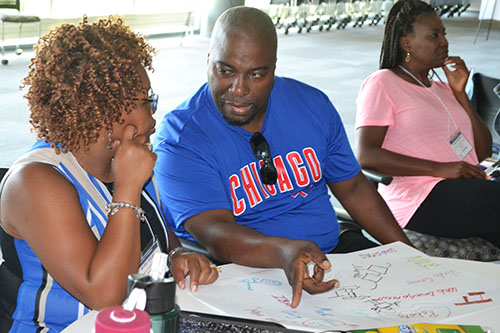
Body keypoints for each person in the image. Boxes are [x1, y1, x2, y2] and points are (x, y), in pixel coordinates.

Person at [153, 6, 411, 309]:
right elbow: (214, 231)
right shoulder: (182, 136)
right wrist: (285, 253)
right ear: (208, 61)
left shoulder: (312, 104)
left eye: (256, 74)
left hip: (332, 254)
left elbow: (353, 188)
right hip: (243, 271)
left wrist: (407, 252)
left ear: (273, 68)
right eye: (225, 71)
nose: (239, 89)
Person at [0, 16, 218, 332]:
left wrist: (177, 254)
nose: (154, 113)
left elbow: (153, 230)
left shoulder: (126, 158)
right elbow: (106, 295)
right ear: (104, 109)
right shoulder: (36, 183)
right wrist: (127, 187)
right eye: (147, 101)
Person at [355, 0, 500, 249]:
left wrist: (461, 95)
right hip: (417, 197)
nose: (444, 41)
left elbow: (484, 152)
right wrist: (441, 169)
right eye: (434, 35)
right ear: (406, 43)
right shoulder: (383, 83)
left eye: (443, 33)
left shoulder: (444, 89)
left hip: (463, 188)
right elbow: (366, 155)